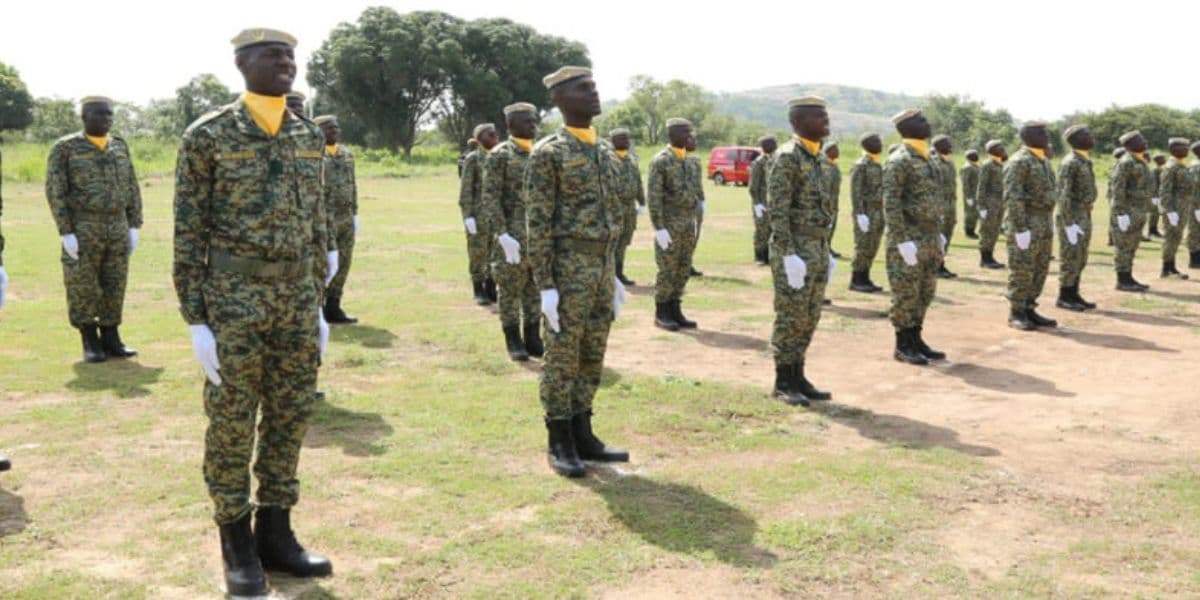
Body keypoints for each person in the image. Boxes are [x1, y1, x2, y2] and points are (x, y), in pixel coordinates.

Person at [173, 28, 334, 596]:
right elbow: (189, 231)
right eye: (272, 54)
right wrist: (196, 319)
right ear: (243, 64)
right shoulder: (209, 135)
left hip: (294, 298)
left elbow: (315, 223)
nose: (286, 62)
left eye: (290, 54)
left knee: (290, 416)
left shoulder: (306, 133)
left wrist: (318, 303)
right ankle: (236, 542)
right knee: (233, 422)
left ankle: (277, 533)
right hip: (233, 300)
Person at [524, 66, 628, 477]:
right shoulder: (550, 153)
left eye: (594, 87)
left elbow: (613, 214)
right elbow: (538, 222)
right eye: (583, 89)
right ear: (559, 98)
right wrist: (546, 284)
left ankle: (584, 431)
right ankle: (559, 439)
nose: (593, 94)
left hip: (600, 267)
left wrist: (614, 271)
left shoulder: (604, 151)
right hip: (567, 268)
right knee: (563, 356)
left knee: (593, 351)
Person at [45, 96, 142, 363]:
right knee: (83, 284)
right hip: (84, 225)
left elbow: (132, 186)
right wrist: (66, 231)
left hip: (117, 224)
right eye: (99, 114)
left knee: (115, 281)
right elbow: (56, 191)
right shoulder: (66, 148)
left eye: (109, 115)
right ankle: (89, 339)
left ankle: (111, 337)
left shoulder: (119, 146)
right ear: (84, 117)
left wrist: (135, 224)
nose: (106, 119)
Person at [767, 96, 835, 406]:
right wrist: (787, 253)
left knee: (810, 314)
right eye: (819, 116)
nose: (826, 121)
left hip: (817, 245)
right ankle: (783, 380)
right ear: (798, 122)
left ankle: (799, 374)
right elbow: (778, 209)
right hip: (794, 247)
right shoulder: (788, 157)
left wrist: (827, 248)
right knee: (791, 314)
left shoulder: (818, 157)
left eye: (825, 115)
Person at [479, 102, 542, 361]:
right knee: (510, 289)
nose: (533, 125)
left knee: (535, 288)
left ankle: (533, 338)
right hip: (512, 235)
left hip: (538, 235)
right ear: (511, 125)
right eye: (527, 121)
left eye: (534, 120)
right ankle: (513, 339)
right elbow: (490, 198)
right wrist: (502, 235)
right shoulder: (500, 155)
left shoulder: (541, 153)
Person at [883, 109, 946, 365]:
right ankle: (902, 344)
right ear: (907, 127)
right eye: (921, 120)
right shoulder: (900, 159)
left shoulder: (927, 157)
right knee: (905, 292)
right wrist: (901, 239)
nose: (927, 122)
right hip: (909, 235)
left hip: (929, 234)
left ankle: (916, 337)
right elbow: (891, 202)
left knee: (925, 290)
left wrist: (938, 232)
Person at [1003, 122, 1058, 330]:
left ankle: (1029, 307)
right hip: (1026, 221)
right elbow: (1013, 197)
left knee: (1040, 267)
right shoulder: (1019, 161)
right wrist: (1020, 228)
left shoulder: (1042, 160)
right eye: (1040, 132)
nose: (1045, 135)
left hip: (1043, 221)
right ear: (1028, 136)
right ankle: (1016, 311)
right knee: (1022, 269)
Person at [648, 118, 701, 331]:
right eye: (685, 132)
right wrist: (658, 227)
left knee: (683, 267)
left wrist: (696, 218)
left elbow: (695, 193)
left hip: (688, 222)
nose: (690, 136)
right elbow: (654, 196)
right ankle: (662, 311)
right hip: (669, 224)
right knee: (667, 268)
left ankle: (675, 308)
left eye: (690, 132)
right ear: (673, 134)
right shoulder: (661, 160)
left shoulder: (690, 161)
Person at [315, 115, 360, 324]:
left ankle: (333, 306)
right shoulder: (313, 154)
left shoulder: (346, 154)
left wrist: (356, 213)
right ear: (318, 131)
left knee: (344, 262)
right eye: (329, 128)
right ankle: (317, 307)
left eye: (336, 127)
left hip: (346, 218)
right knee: (323, 264)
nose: (335, 131)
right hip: (325, 218)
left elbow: (353, 185)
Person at [1054, 124, 1098, 311]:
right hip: (1071, 216)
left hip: (1083, 214)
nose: (1091, 136)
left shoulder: (1084, 161)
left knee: (1080, 257)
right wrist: (1068, 223)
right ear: (1076, 139)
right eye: (1086, 134)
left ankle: (1074, 293)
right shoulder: (1070, 162)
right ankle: (1064, 296)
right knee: (1070, 257)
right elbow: (1063, 195)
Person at [460, 124, 499, 305]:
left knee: (495, 252)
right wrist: (468, 216)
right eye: (490, 134)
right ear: (480, 138)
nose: (494, 137)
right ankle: (478, 288)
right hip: (478, 213)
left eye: (495, 134)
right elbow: (466, 190)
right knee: (478, 251)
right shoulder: (473, 159)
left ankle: (491, 286)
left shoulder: (499, 156)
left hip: (496, 214)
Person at [1110, 130, 1154, 291]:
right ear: (1129, 145)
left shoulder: (1140, 161)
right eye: (1140, 139)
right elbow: (1118, 189)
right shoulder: (1126, 162)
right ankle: (1122, 280)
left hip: (1139, 210)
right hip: (1127, 211)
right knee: (1123, 246)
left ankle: (1128, 277)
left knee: (1132, 245)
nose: (1145, 142)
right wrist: (1120, 213)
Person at [849, 132, 884, 293]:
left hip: (877, 210)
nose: (880, 144)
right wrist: (859, 213)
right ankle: (856, 279)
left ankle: (865, 276)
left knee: (873, 245)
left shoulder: (876, 164)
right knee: (863, 245)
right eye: (876, 141)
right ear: (867, 145)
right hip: (866, 210)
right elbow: (855, 192)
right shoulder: (861, 165)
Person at [610, 128, 646, 285]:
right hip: (614, 208)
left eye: (627, 138)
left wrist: (642, 202)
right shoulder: (608, 160)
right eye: (622, 139)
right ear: (613, 141)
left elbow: (638, 182)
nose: (626, 141)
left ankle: (619, 273)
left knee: (624, 241)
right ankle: (611, 275)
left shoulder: (631, 160)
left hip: (630, 208)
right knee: (613, 242)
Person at [1157, 138, 1192, 279]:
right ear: (1175, 149)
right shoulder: (1171, 166)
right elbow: (1165, 190)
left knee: (1176, 238)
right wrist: (1169, 210)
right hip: (1173, 208)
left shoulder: (1181, 165)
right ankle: (1166, 269)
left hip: (1181, 207)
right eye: (1184, 147)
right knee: (1170, 238)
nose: (1187, 150)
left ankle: (1172, 267)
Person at [976, 140, 1007, 269]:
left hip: (1000, 202)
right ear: (991, 150)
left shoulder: (1001, 164)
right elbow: (981, 186)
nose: (1003, 148)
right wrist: (981, 206)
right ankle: (985, 258)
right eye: (999, 147)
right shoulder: (988, 165)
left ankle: (990, 256)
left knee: (995, 231)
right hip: (989, 202)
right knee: (987, 231)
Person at [748, 135, 777, 266]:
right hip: (762, 202)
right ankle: (760, 256)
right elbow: (753, 185)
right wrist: (757, 203)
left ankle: (771, 256)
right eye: (767, 144)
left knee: (774, 229)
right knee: (762, 230)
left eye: (772, 144)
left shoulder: (779, 160)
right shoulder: (759, 162)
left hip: (775, 202)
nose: (770, 146)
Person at [931, 135, 957, 278]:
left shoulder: (950, 163)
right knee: (938, 236)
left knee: (947, 235)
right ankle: (936, 265)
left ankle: (941, 262)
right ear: (938, 146)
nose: (951, 145)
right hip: (939, 205)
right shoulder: (934, 163)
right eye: (947, 143)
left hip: (950, 205)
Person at [685, 132, 705, 277]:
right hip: (682, 206)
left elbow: (698, 183)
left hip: (696, 202)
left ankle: (688, 264)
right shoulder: (673, 160)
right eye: (692, 140)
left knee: (694, 235)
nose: (695, 143)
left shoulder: (696, 161)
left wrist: (703, 199)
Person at [824, 142, 843, 259]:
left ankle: (828, 247)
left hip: (834, 203)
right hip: (826, 204)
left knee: (832, 227)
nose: (838, 152)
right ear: (828, 152)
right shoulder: (824, 166)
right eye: (835, 149)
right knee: (825, 227)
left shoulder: (834, 166)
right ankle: (824, 249)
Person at [960, 149, 981, 239]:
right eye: (973, 155)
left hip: (977, 193)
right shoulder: (967, 167)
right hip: (971, 194)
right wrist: (968, 197)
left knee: (975, 213)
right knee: (970, 214)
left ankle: (973, 230)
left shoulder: (976, 166)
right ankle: (969, 232)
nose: (976, 156)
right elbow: (965, 183)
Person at [1147, 153, 1166, 240]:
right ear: (1158, 160)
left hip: (1159, 195)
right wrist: (1155, 196)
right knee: (1154, 214)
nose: (1164, 160)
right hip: (1155, 195)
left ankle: (1154, 230)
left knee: (1157, 213)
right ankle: (1152, 230)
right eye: (1162, 158)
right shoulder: (1155, 170)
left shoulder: (1161, 169)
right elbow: (1154, 183)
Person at [1188, 141, 1200, 268]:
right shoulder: (1196, 166)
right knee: (1195, 230)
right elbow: (1194, 186)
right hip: (1196, 203)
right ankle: (1194, 259)